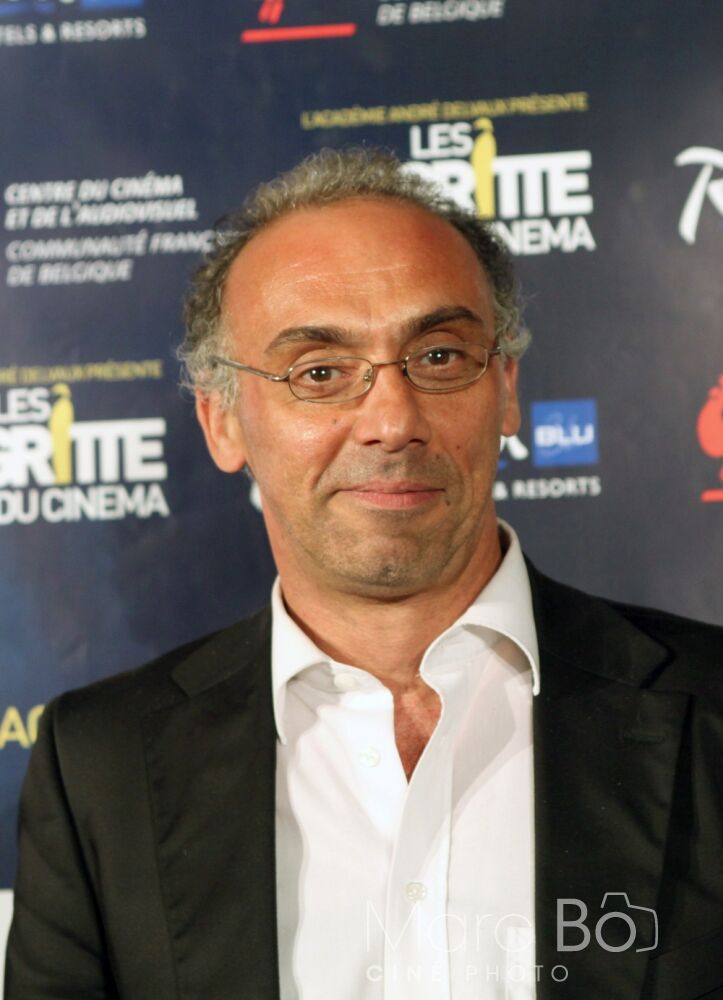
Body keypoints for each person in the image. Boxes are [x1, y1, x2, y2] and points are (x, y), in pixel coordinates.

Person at [5, 148, 722, 1000]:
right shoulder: (101, 766)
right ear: (221, 421)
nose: (391, 419)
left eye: (440, 357)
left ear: (504, 389)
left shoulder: (710, 708)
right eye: (319, 373)